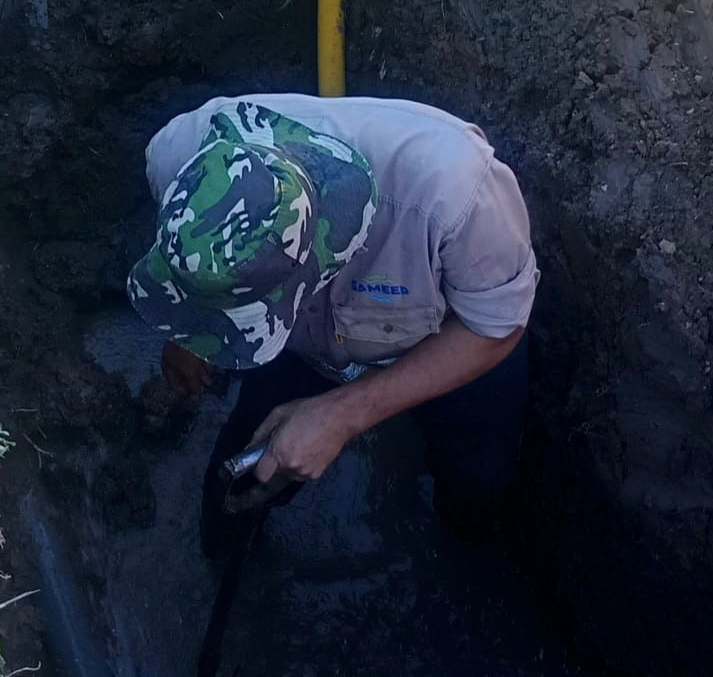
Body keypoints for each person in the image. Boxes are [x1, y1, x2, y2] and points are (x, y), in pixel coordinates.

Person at [127, 95, 538, 555]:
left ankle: (466, 552)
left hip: (450, 334)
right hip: (309, 346)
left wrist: (342, 414)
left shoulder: (456, 195)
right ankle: (226, 555)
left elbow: (495, 327)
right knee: (241, 473)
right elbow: (188, 255)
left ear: (320, 263)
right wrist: (191, 329)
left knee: (476, 480)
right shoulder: (183, 153)